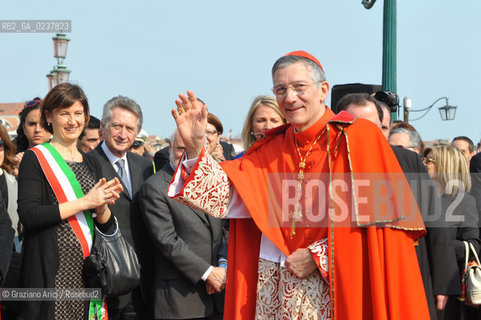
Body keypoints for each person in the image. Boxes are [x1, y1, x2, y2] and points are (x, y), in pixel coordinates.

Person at [168, 51, 429, 319]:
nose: (290, 97)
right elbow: (224, 195)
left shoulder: (359, 137)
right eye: (281, 89)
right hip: (271, 286)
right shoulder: (270, 146)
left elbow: (384, 226)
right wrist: (194, 147)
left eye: (299, 87)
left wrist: (319, 256)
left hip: (335, 285)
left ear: (323, 90)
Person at [337, 92, 460, 319]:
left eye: (376, 127)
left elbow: (435, 222)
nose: (367, 133)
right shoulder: (330, 163)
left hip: (408, 271)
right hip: (352, 278)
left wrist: (443, 281)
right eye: (356, 126)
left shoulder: (407, 161)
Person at [17, 83, 123, 319]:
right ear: (49, 117)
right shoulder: (36, 158)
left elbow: (104, 223)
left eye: (78, 113)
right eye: (64, 113)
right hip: (50, 276)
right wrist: (86, 201)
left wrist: (102, 204)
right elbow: (29, 215)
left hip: (87, 275)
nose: (72, 121)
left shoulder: (92, 162)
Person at [139, 130, 226, 319]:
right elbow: (167, 241)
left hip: (218, 297)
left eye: (192, 149)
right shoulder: (155, 188)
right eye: (180, 149)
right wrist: (208, 273)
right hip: (181, 301)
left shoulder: (212, 181)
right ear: (169, 147)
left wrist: (223, 264)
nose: (186, 155)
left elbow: (224, 229)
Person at [89, 95, 153, 319]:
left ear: (137, 133)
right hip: (107, 279)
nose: (123, 134)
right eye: (117, 126)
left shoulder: (145, 166)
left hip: (143, 282)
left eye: (129, 128)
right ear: (103, 127)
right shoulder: (87, 163)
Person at [424, 145, 480, 320]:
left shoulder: (464, 201)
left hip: (449, 288)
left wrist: (436, 244)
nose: (423, 163)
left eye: (429, 160)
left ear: (445, 165)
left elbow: (472, 246)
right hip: (419, 279)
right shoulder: (418, 196)